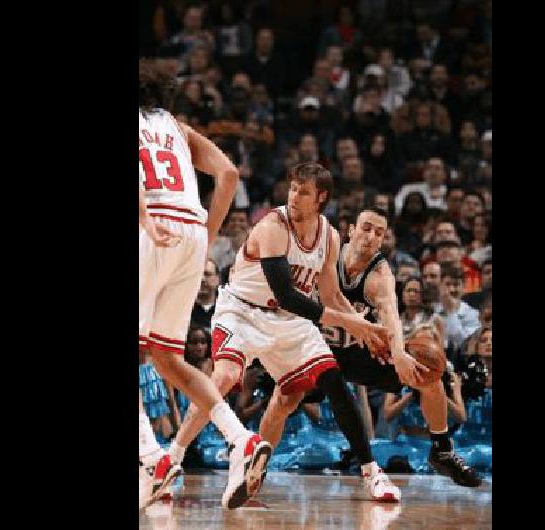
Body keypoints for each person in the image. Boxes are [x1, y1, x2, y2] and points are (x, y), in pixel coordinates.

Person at [164, 162, 400, 502]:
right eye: (292, 188)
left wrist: (365, 331)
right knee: (224, 376)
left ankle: (371, 473)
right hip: (243, 310)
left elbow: (330, 293)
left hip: (289, 322)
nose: (294, 196)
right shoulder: (273, 225)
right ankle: (173, 459)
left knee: (333, 380)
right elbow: (288, 294)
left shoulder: (329, 236)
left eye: (303, 192)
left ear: (321, 197)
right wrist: (353, 323)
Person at [138, 60, 272, 510]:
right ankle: (240, 439)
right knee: (167, 358)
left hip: (151, 227)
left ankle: (152, 458)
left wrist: (147, 221)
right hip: (192, 231)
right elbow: (230, 174)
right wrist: (208, 236)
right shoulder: (175, 125)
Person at [319, 208, 481, 486]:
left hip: (359, 349)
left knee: (428, 370)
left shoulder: (380, 273)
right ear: (351, 231)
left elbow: (390, 314)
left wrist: (399, 354)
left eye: (379, 233)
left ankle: (442, 448)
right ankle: (251, 459)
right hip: (312, 344)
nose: (371, 237)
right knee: (284, 399)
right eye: (367, 228)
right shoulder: (326, 252)